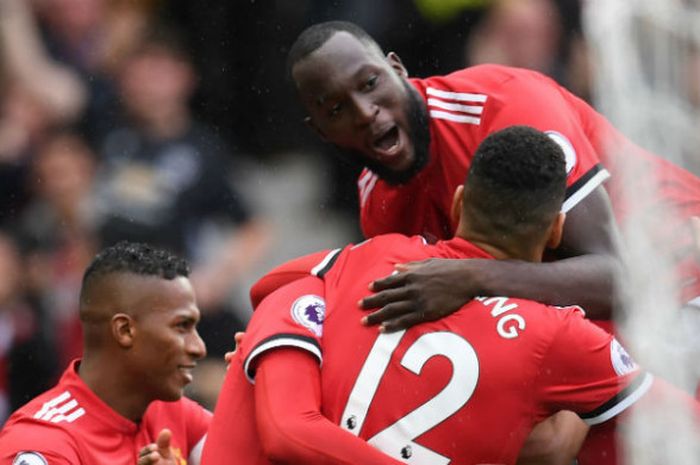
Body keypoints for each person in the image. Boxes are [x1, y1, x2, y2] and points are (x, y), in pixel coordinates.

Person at [203, 127, 700, 465]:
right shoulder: (563, 337)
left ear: (460, 201)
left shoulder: (367, 257)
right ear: (556, 231)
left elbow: (268, 286)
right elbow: (681, 421)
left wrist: (287, 336)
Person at [284, 20, 700, 332]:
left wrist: (471, 277)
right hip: (590, 312)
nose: (364, 112)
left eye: (370, 82)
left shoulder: (504, 106)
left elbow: (618, 278)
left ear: (397, 68)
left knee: (553, 437)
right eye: (336, 109)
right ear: (321, 132)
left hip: (678, 269)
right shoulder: (377, 201)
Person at [0, 241, 211, 464]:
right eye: (182, 326)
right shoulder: (43, 445)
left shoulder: (171, 413)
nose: (199, 348)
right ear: (125, 330)